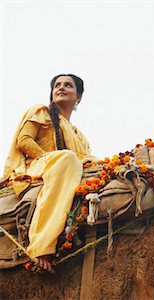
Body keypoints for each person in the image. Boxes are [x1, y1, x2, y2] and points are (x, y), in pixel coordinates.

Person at [2, 74, 95, 272]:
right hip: (37, 166)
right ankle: (41, 245)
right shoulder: (41, 111)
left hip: (64, 169)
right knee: (67, 159)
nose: (61, 88)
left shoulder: (79, 134)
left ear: (78, 96)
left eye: (68, 85)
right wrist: (50, 160)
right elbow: (24, 141)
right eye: (57, 85)